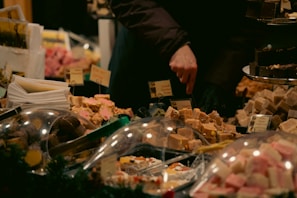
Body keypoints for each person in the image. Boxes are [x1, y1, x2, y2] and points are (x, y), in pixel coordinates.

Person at [107, 0, 254, 118]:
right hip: (144, 64)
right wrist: (175, 44)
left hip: (207, 72)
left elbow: (251, 20)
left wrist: (220, 78)